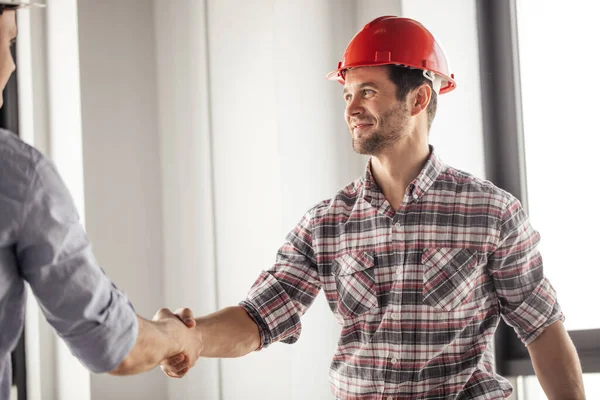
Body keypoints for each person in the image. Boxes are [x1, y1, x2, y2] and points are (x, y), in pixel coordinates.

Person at [160, 15, 585, 399]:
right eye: (347, 95)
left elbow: (542, 329)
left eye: (367, 92)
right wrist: (191, 339)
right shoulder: (325, 223)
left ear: (418, 100)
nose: (351, 109)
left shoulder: (491, 213)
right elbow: (261, 316)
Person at [0, 2, 201, 398]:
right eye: (7, 41)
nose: (11, 66)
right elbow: (112, 345)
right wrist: (175, 336)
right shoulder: (17, 175)